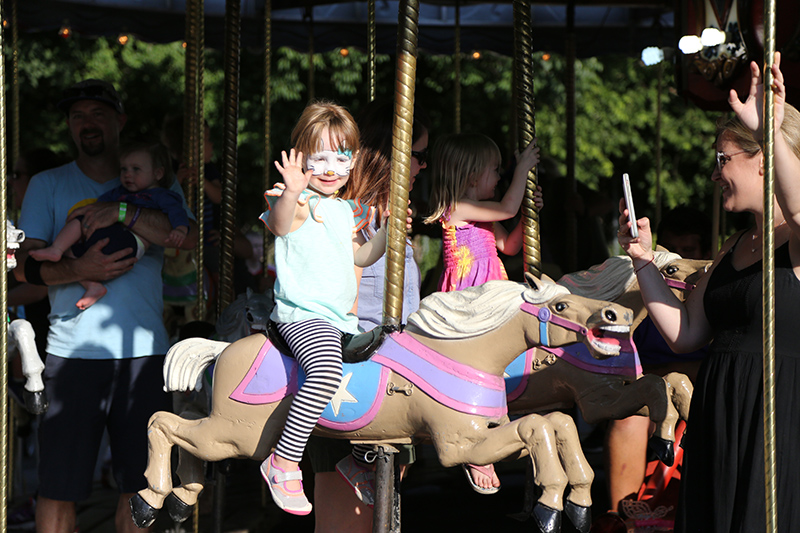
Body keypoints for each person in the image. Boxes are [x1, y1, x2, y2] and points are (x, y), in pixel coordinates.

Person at [617, 53, 800, 532]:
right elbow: (684, 332)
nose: (715, 173)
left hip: (777, 415)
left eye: (724, 160)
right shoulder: (733, 246)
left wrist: (771, 129)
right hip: (722, 412)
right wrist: (643, 259)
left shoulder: (797, 238)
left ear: (762, 160)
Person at [14, 78, 198, 533]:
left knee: (142, 485)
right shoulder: (48, 184)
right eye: (77, 116)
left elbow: (190, 240)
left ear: (120, 121)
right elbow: (22, 270)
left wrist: (124, 214)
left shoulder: (155, 184)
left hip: (143, 352)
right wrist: (83, 267)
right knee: (59, 485)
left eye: (97, 114)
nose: (87, 124)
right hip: (73, 351)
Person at [258, 100, 388, 516]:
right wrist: (293, 189)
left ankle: (356, 459)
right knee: (328, 369)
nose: (332, 167)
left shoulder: (342, 209)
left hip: (341, 322)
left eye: (342, 156)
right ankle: (283, 460)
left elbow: (362, 257)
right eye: (320, 158)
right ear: (300, 158)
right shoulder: (292, 201)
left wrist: (386, 233)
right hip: (303, 316)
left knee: (387, 375)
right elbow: (278, 225)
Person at [306, 99, 430, 531]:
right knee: (348, 524)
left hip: (389, 384)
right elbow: (344, 305)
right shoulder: (349, 216)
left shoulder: (383, 220)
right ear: (391, 156)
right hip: (355, 382)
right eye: (416, 155)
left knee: (381, 517)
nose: (421, 166)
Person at [423, 132, 541, 493]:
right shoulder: (456, 207)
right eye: (496, 170)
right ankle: (476, 449)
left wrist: (530, 215)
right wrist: (522, 171)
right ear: (472, 175)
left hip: (491, 294)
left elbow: (509, 244)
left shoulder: (482, 214)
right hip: (469, 300)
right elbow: (507, 206)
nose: (501, 176)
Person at [604, 207, 712, 515]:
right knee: (629, 416)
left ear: (705, 253)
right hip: (650, 392)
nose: (676, 260)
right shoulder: (644, 296)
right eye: (668, 251)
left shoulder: (711, 296)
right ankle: (620, 516)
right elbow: (625, 365)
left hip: (698, 389)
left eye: (687, 252)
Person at [29, 141, 189, 309]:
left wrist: (180, 228)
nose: (128, 174)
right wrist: (87, 215)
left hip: (132, 241)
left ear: (158, 173)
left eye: (136, 169)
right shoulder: (120, 192)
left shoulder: (162, 196)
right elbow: (99, 207)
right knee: (74, 239)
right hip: (112, 234)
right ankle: (66, 258)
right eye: (124, 169)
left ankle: (80, 271)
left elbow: (177, 213)